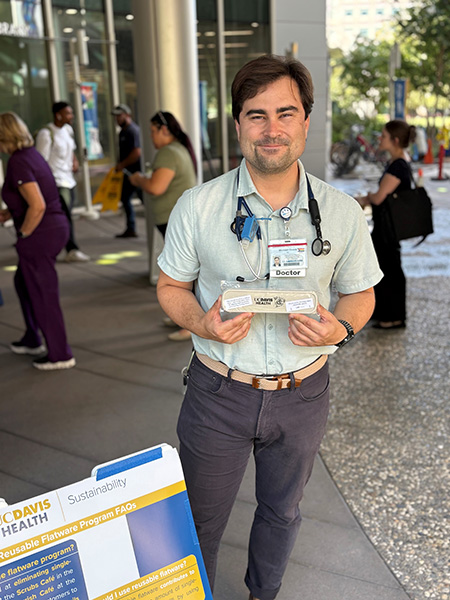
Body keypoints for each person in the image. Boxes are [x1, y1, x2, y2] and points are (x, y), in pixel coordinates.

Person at [156, 54, 383, 600]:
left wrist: (340, 331)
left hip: (304, 395)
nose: (272, 129)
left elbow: (361, 294)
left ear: (306, 120)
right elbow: (170, 288)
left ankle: (264, 594)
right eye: (256, 115)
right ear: (237, 125)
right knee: (197, 524)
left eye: (286, 113)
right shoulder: (198, 206)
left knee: (282, 513)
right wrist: (202, 321)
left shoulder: (343, 213)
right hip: (217, 393)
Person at [0, 112, 75, 370]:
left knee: (43, 294)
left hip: (41, 233)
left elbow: (38, 205)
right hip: (51, 228)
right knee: (23, 282)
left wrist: (23, 234)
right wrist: (11, 213)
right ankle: (33, 337)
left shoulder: (18, 162)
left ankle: (60, 354)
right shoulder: (29, 156)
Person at [129, 111, 197, 342]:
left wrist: (138, 179)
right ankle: (183, 318)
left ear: (164, 129)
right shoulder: (177, 149)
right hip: (175, 220)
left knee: (182, 276)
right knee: (184, 273)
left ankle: (191, 325)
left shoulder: (168, 153)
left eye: (152, 131)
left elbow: (156, 187)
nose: (150, 136)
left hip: (173, 220)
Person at [358, 120, 415, 329]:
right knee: (384, 268)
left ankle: (393, 316)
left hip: (388, 229)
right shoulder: (398, 162)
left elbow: (380, 197)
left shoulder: (398, 165)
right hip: (386, 227)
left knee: (389, 270)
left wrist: (365, 198)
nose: (380, 139)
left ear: (396, 140)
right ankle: (384, 313)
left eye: (383, 136)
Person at [35, 101, 90, 263]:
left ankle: (53, 247)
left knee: (63, 216)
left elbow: (70, 149)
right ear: (58, 115)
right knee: (64, 216)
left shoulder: (68, 130)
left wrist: (74, 161)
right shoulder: (46, 134)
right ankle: (71, 249)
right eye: (68, 113)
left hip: (68, 180)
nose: (71, 116)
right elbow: (41, 162)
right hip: (56, 182)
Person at [111, 104, 142, 238]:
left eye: (120, 115)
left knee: (142, 198)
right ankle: (131, 227)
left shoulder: (132, 131)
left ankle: (133, 227)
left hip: (135, 173)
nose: (117, 119)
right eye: (116, 116)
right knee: (126, 198)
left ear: (127, 115)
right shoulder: (123, 131)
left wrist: (122, 164)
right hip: (128, 173)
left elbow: (137, 152)